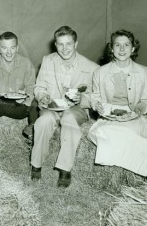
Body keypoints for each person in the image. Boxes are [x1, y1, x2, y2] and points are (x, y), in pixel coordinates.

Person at [30, 26, 99, 187]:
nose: (65, 48)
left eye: (69, 44)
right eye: (60, 44)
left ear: (76, 44)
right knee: (43, 121)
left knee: (69, 119)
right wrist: (43, 96)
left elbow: (96, 97)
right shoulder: (48, 61)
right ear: (55, 45)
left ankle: (64, 169)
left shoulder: (92, 68)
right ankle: (36, 165)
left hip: (76, 110)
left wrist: (81, 98)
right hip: (52, 108)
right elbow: (39, 87)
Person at [88, 29, 147, 185]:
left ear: (133, 49)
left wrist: (140, 108)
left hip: (133, 116)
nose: (122, 49)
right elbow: (95, 97)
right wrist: (97, 105)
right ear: (111, 49)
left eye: (126, 45)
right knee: (119, 134)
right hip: (108, 117)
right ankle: (139, 175)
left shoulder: (144, 72)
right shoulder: (100, 72)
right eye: (117, 45)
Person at [0, 31, 38, 165]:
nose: (9, 52)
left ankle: (33, 141)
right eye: (4, 48)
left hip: (19, 107)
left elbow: (32, 87)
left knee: (36, 101)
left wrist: (26, 98)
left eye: (12, 48)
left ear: (17, 48)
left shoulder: (26, 63)